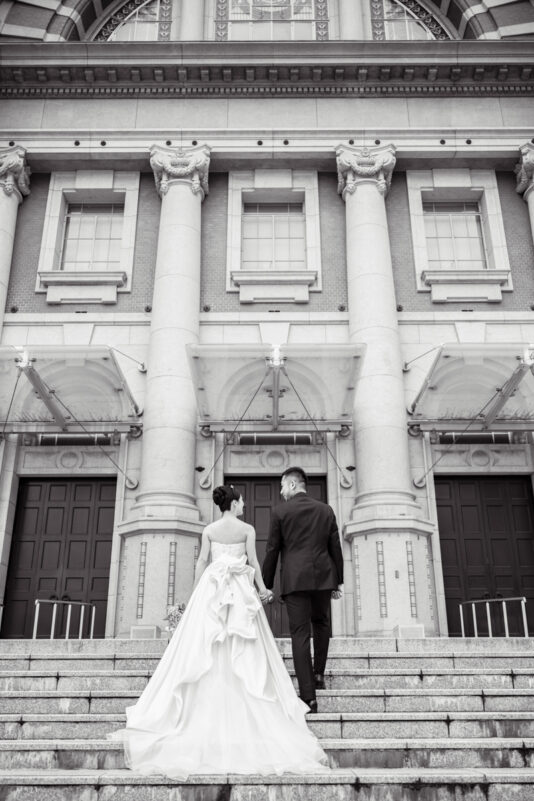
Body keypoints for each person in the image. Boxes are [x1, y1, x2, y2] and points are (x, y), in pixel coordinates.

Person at [108, 484, 328, 779]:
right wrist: (263, 589)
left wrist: (194, 596)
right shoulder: (247, 530)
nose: (244, 506)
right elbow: (253, 562)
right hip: (239, 591)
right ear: (234, 504)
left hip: (211, 590)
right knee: (245, 647)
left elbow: (202, 562)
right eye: (242, 502)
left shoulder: (209, 530)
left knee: (206, 645)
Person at [262, 467, 344, 714]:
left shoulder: (280, 512)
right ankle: (319, 674)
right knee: (321, 624)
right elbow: (335, 547)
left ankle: (309, 697)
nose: (281, 491)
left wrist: (266, 584)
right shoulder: (326, 510)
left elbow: (272, 550)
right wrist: (338, 581)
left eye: (282, 485)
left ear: (292, 484)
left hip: (295, 579)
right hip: (323, 578)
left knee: (300, 634)